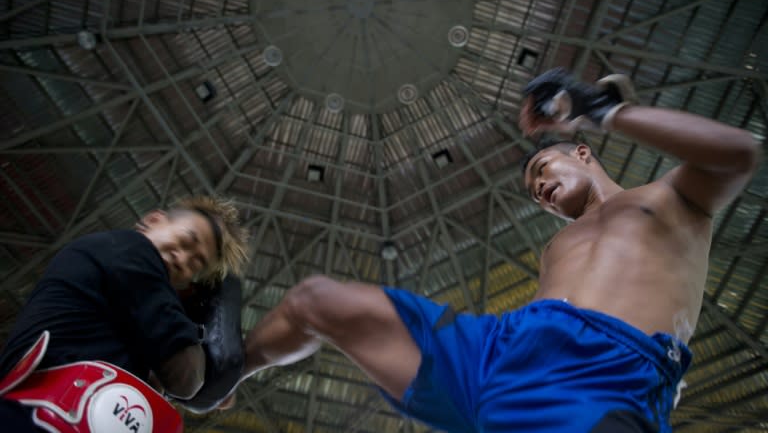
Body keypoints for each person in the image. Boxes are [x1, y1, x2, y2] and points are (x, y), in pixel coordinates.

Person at [236, 70, 760, 433]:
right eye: (533, 189)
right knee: (317, 302)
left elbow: (738, 153)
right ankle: (221, 379)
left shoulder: (669, 199)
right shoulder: (560, 243)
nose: (538, 189)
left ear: (582, 151)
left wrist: (599, 109)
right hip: (501, 351)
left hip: (602, 374)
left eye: (542, 170)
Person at [0, 195, 249, 432]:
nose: (182, 259)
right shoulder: (133, 250)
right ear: (153, 220)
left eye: (195, 264)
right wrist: (224, 296)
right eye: (185, 240)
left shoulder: (131, 309)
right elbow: (186, 381)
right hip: (35, 420)